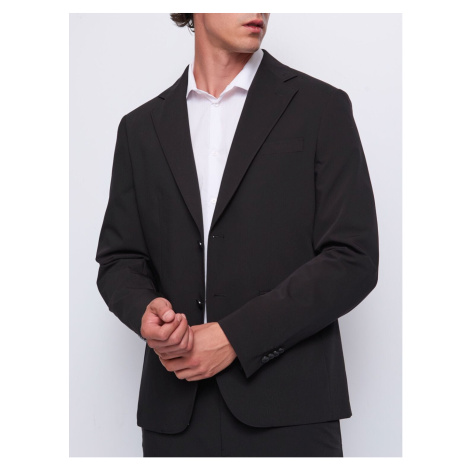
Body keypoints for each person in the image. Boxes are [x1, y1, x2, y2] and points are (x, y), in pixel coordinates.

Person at [95, 13, 379, 457]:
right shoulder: (141, 127)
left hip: (291, 412)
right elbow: (119, 259)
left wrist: (234, 337)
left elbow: (353, 257)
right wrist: (145, 311)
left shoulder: (321, 107)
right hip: (175, 415)